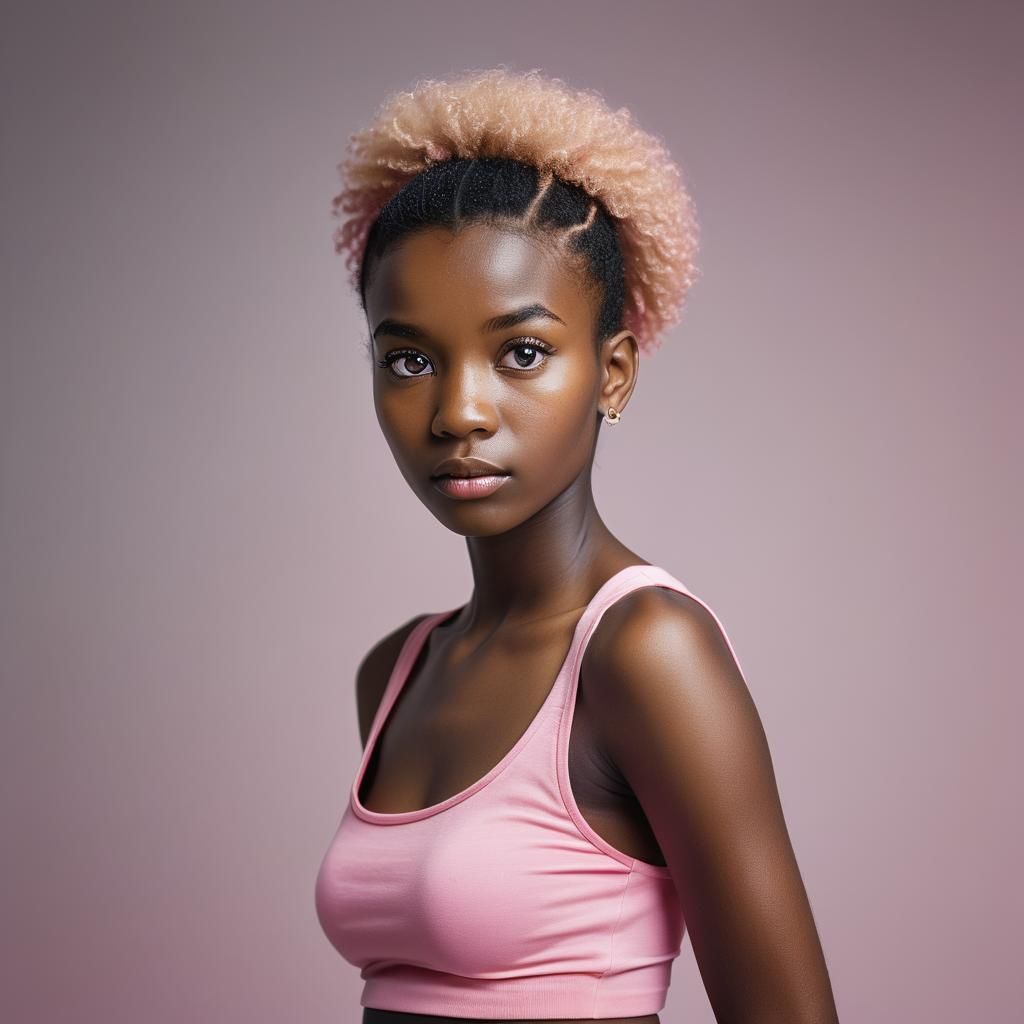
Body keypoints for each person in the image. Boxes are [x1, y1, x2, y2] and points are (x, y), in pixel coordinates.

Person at [314, 68, 839, 1024]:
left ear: (614, 371)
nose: (459, 412)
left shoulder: (645, 654)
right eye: (410, 359)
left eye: (521, 352)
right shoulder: (395, 671)